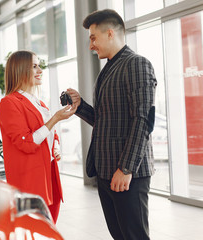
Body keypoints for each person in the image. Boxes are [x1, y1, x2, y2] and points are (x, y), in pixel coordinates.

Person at [67, 9, 157, 240]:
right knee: (120, 235)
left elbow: (143, 119)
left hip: (127, 172)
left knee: (134, 235)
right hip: (107, 171)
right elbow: (107, 121)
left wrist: (126, 168)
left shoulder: (136, 64)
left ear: (110, 33)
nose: (91, 45)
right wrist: (81, 107)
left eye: (93, 38)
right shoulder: (109, 68)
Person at [0, 50, 77, 223]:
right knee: (35, 229)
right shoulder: (9, 103)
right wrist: (55, 119)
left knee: (49, 228)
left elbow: (50, 134)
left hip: (49, 175)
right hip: (30, 181)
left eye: (39, 66)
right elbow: (26, 142)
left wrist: (55, 147)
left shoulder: (39, 103)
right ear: (19, 70)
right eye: (34, 66)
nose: (40, 70)